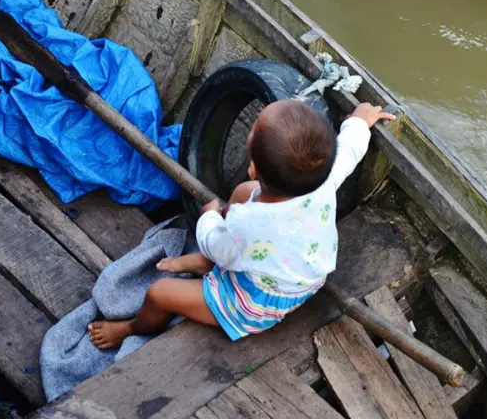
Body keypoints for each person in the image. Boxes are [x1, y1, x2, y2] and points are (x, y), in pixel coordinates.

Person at [88, 99, 395, 349]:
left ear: (252, 167)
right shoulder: (324, 179)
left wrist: (209, 214)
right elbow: (349, 149)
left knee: (160, 293)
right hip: (301, 277)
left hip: (253, 302)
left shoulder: (249, 224)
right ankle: (206, 266)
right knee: (244, 195)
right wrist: (359, 121)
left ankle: (130, 328)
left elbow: (215, 244)